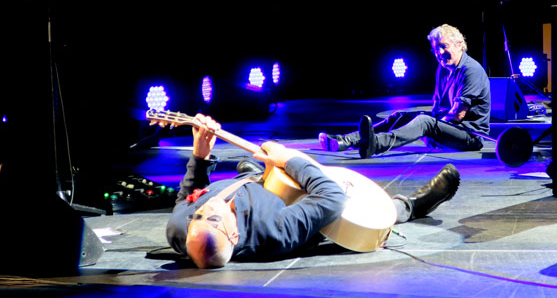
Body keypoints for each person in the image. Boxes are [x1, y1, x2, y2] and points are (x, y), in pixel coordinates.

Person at [166, 114, 461, 268]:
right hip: (301, 199)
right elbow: (331, 198)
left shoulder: (180, 228)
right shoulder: (273, 231)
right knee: (359, 216)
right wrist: (287, 160)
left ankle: (255, 172)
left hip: (256, 182)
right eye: (212, 219)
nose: (204, 210)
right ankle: (411, 205)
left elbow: (190, 194)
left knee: (251, 168)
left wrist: (200, 154)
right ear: (233, 235)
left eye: (196, 217)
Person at [318, 24, 491, 159]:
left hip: (469, 136)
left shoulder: (471, 70)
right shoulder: (443, 68)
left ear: (459, 45)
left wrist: (432, 131)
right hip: (449, 127)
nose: (439, 53)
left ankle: (376, 144)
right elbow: (437, 107)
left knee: (424, 122)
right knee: (399, 116)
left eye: (444, 46)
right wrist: (429, 127)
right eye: (435, 49)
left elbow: (457, 115)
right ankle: (347, 140)